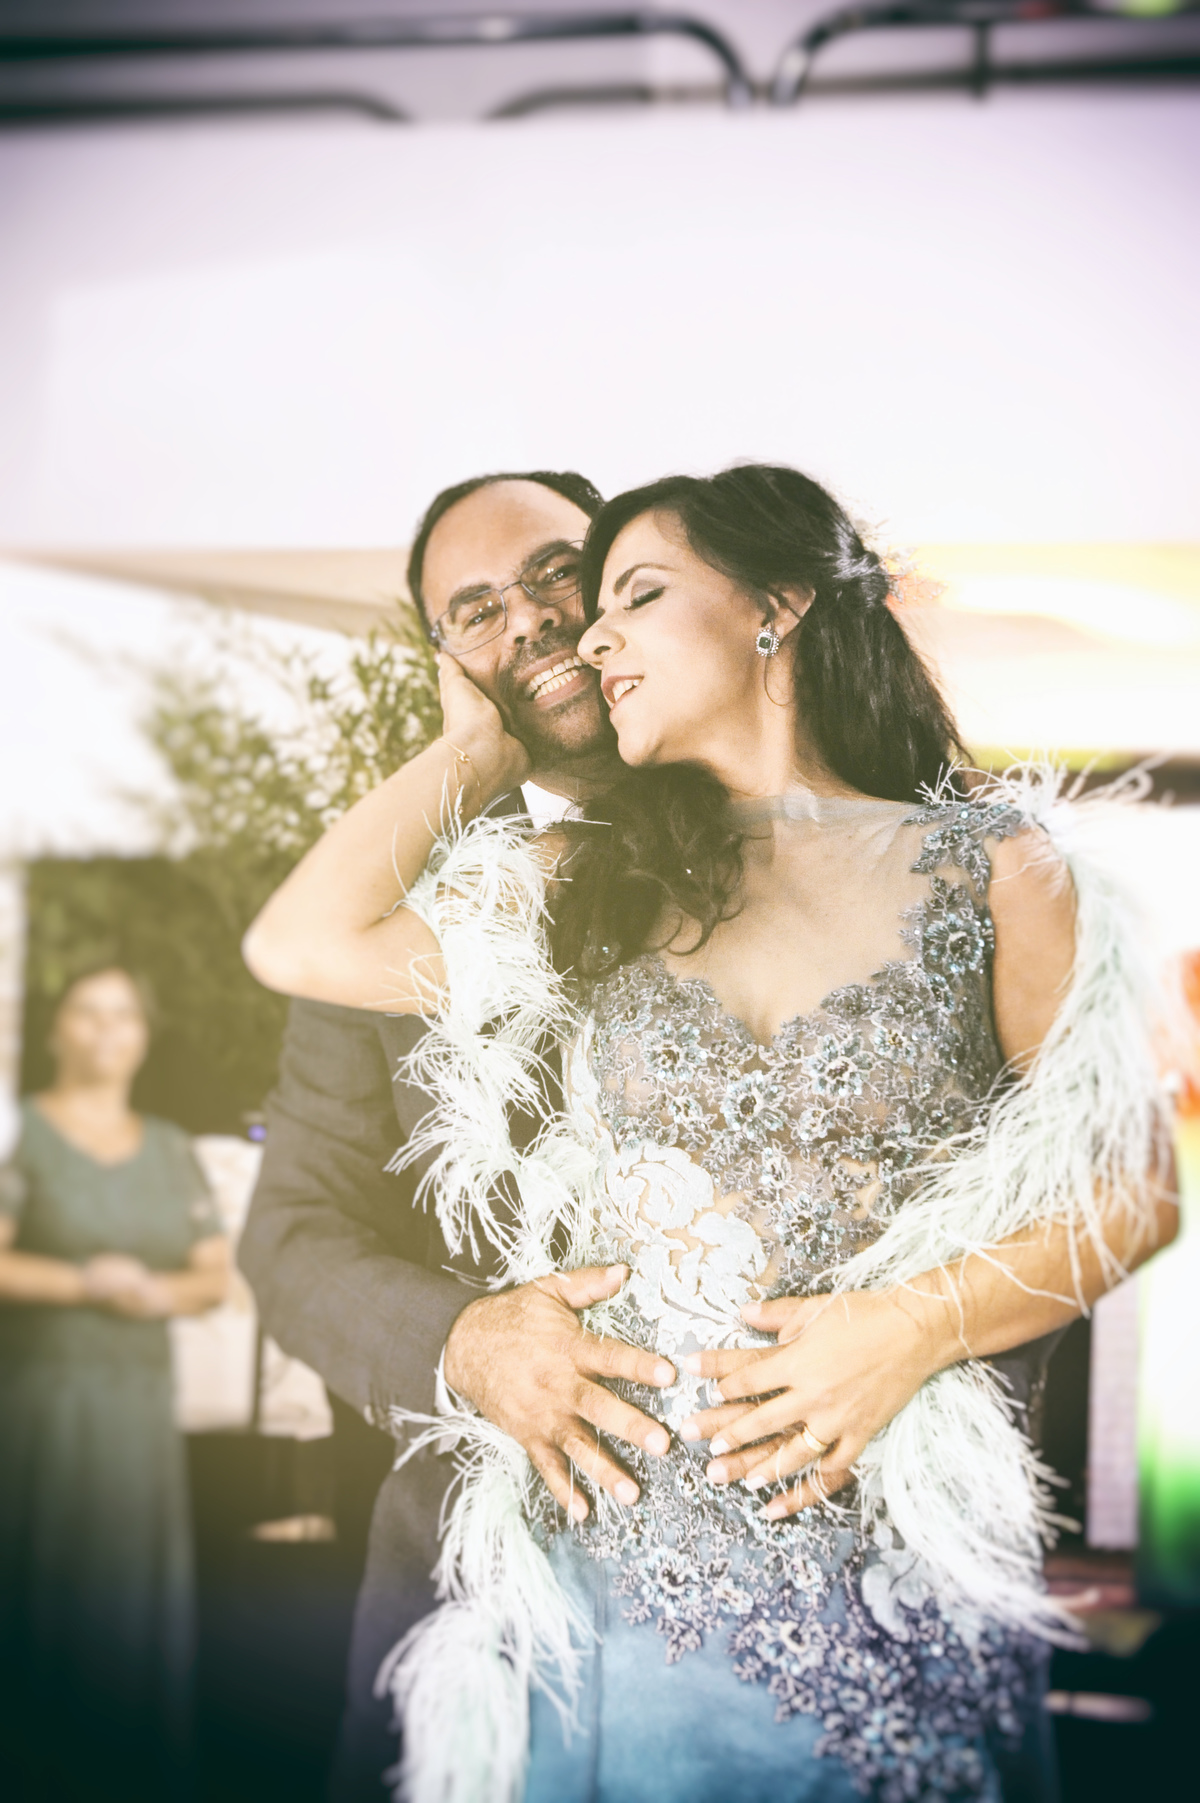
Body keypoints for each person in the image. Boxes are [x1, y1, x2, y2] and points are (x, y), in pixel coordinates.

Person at [244, 464, 1176, 1803]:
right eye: (483, 611)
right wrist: (479, 750)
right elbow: (298, 944)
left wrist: (912, 1322)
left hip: (878, 1571)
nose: (578, 632)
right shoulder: (581, 887)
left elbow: (1135, 1182)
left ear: (776, 606)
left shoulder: (995, 865)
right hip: (601, 1574)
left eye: (610, 587)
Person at [238, 468, 676, 1800]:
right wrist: (462, 1340)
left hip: (782, 1561)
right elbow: (288, 1236)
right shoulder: (390, 921)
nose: (531, 621)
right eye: (475, 610)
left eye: (555, 571)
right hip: (470, 1570)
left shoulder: (800, 836)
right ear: (446, 660)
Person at [0, 965, 231, 1803]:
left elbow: (212, 1277)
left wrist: (153, 1293)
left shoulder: (170, 1146)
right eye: (87, 1013)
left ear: (144, 1033)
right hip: (37, 1400)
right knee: (37, 1582)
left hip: (136, 1408)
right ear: (57, 1029)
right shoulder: (19, 1133)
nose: (105, 1031)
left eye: (123, 1015)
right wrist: (87, 1282)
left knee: (127, 1593)